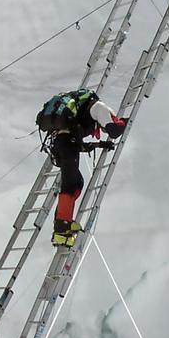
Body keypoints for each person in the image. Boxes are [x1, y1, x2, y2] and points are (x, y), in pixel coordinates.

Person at [36, 89, 127, 248]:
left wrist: (100, 144)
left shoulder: (81, 114)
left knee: (76, 182)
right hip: (66, 144)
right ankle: (61, 229)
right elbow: (114, 129)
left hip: (60, 144)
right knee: (70, 184)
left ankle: (63, 223)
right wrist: (125, 122)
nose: (103, 130)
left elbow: (78, 143)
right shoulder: (100, 108)